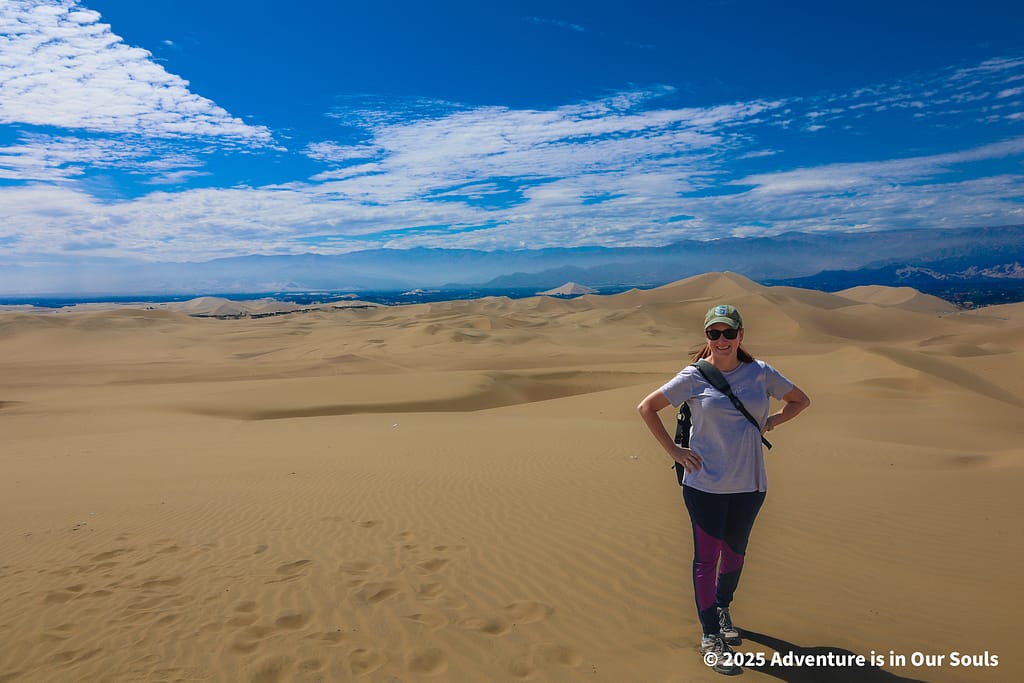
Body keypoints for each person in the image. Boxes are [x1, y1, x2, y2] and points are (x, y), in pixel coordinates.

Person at [637, 304, 810, 675]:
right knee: (706, 559)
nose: (721, 340)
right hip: (704, 486)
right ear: (707, 337)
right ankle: (709, 637)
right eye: (714, 334)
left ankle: (722, 608)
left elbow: (800, 400)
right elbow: (647, 407)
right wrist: (673, 451)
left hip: (750, 485)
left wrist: (771, 422)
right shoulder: (694, 377)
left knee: (735, 556)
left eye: (728, 333)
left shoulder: (761, 373)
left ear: (741, 335)